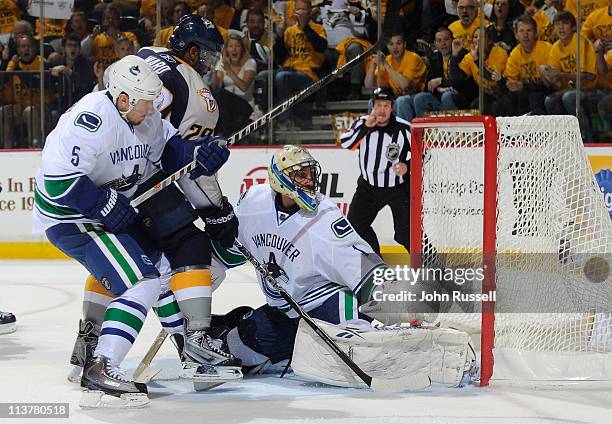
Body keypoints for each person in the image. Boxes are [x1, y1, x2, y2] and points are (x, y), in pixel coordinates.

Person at [33, 55, 230, 408]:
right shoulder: (91, 119)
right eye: (145, 102)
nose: (153, 108)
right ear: (122, 99)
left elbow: (171, 151)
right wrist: (101, 205)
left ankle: (187, 351)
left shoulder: (146, 113)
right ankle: (103, 367)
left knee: (164, 271)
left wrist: (199, 154)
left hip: (101, 211)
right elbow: (58, 181)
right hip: (70, 217)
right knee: (142, 281)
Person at [67, 15, 242, 389]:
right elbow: (176, 159)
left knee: (122, 261)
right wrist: (215, 210)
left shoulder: (148, 56)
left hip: (105, 186)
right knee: (187, 245)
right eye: (207, 55)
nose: (209, 64)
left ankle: (87, 342)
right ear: (192, 51)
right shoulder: (188, 88)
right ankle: (195, 344)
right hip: (140, 184)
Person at [209, 145, 386, 374]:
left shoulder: (325, 217)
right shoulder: (254, 203)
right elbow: (226, 253)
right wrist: (196, 290)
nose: (309, 181)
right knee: (237, 346)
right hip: (284, 310)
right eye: (301, 175)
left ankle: (359, 343)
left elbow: (364, 268)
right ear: (280, 179)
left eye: (311, 174)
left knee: (349, 331)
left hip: (325, 302)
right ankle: (291, 350)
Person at [340, 87, 411, 256]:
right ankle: (377, 267)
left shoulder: (404, 128)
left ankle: (436, 272)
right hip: (368, 188)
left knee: (406, 234)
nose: (381, 110)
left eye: (386, 106)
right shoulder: (362, 123)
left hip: (398, 190)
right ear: (372, 106)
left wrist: (408, 166)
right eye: (378, 105)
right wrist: (365, 128)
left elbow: (424, 154)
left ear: (392, 107)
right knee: (355, 228)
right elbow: (346, 144)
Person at [496, 14, 552, 116]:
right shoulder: (514, 54)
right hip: (526, 92)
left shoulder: (547, 49)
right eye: (521, 31)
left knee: (535, 98)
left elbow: (550, 84)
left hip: (545, 91)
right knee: (506, 100)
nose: (525, 35)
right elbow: (511, 81)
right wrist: (510, 84)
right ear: (516, 35)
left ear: (535, 33)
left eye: (529, 31)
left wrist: (524, 86)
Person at [212, 30, 256, 137]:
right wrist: (216, 75)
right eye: (231, 46)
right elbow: (214, 88)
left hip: (245, 104)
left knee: (222, 94)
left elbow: (244, 87)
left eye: (237, 46)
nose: (234, 49)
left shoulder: (250, 63)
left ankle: (224, 134)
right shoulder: (223, 63)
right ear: (226, 49)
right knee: (217, 95)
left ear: (242, 49)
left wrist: (229, 71)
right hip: (226, 105)